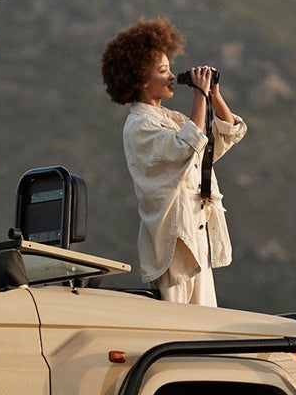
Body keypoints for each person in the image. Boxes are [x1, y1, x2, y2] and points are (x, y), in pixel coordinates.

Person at [100, 18, 246, 305]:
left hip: (196, 240)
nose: (171, 77)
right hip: (173, 248)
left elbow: (222, 138)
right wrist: (199, 96)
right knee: (177, 327)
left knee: (203, 329)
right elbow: (184, 146)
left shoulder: (171, 119)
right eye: (163, 70)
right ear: (141, 79)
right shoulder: (139, 126)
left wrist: (214, 96)